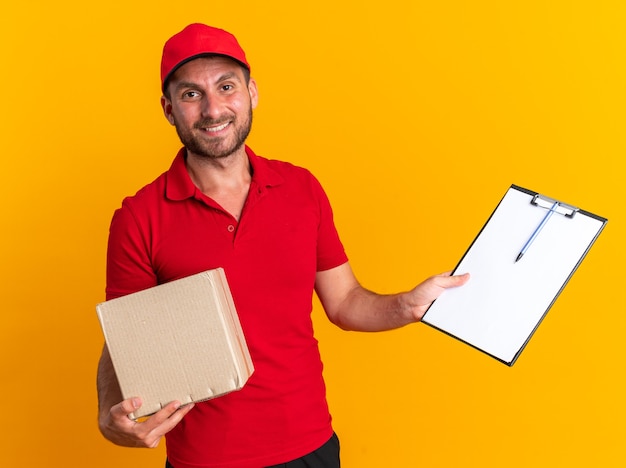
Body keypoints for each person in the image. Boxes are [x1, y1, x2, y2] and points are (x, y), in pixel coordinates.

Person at [96, 23, 469, 468]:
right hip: (206, 459)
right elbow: (126, 340)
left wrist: (408, 305)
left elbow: (345, 302)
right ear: (169, 109)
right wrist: (107, 413)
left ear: (251, 92)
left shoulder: (301, 189)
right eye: (191, 94)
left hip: (311, 447)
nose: (213, 108)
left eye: (226, 86)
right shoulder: (138, 217)